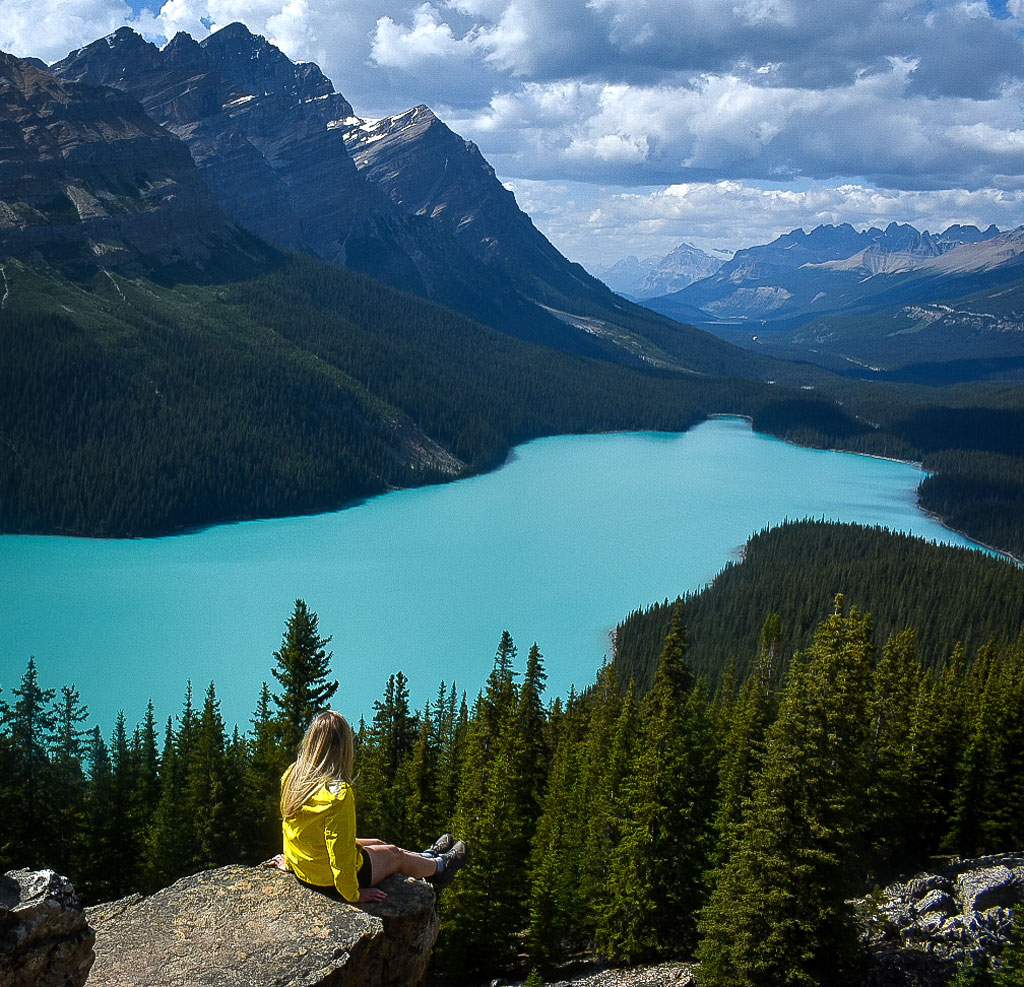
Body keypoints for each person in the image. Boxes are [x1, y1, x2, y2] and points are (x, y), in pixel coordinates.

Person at [280, 709, 468, 903]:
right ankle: (441, 867)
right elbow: (341, 854)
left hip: (307, 866)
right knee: (395, 855)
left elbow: (289, 828)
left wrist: (290, 861)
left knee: (378, 843)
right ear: (344, 748)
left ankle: (426, 856)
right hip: (328, 879)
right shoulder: (338, 795)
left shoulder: (293, 776)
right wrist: (353, 894)